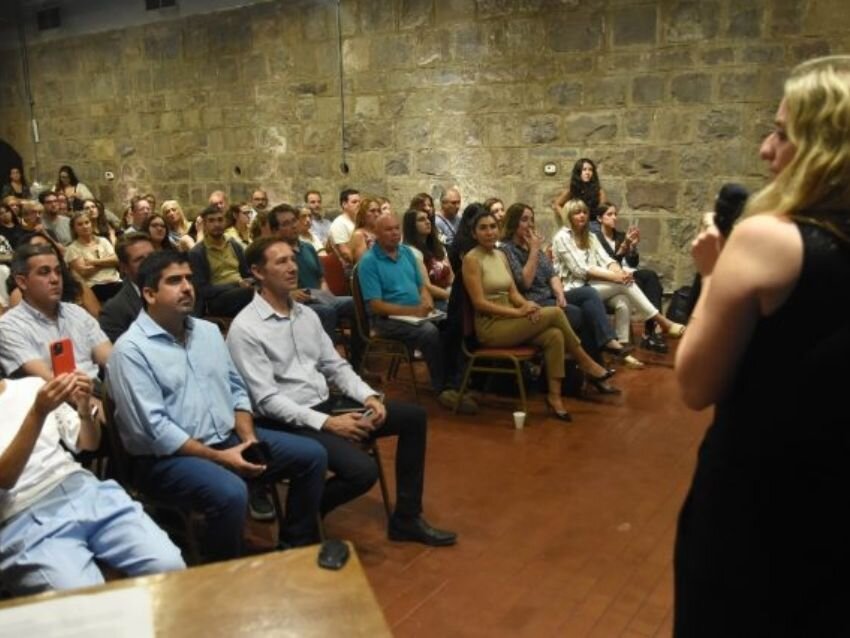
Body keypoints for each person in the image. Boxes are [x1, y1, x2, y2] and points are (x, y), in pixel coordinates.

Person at [674, 56, 850, 637]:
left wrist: (711, 275)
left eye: (781, 133)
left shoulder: (768, 240)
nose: (765, 149)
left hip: (760, 502)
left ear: (826, 147)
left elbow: (695, 383)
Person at [227, 238, 457, 547]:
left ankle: (406, 518)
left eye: (292, 259)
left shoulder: (306, 315)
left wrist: (368, 397)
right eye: (281, 261)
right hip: (287, 421)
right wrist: (329, 424)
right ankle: (300, 525)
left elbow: (336, 366)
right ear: (257, 271)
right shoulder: (246, 328)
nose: (293, 267)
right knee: (362, 471)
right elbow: (266, 401)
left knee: (412, 417)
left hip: (325, 404)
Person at [107, 251, 327, 560]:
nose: (187, 287)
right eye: (174, 281)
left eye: (189, 279)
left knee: (312, 455)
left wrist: (248, 439)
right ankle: (223, 571)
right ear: (149, 294)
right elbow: (156, 431)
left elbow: (236, 389)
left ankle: (293, 547)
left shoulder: (207, 332)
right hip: (165, 460)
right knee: (231, 492)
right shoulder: (131, 351)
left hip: (227, 438)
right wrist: (221, 458)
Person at [0, 372, 185, 595]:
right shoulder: (39, 402)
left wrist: (84, 409)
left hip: (81, 488)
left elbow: (89, 443)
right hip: (22, 515)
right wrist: (38, 413)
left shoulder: (32, 386)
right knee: (85, 602)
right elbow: (5, 478)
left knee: (168, 565)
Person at [463, 208, 617, 421]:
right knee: (554, 313)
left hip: (511, 318)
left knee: (555, 335)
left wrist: (527, 305)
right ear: (474, 233)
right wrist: (517, 311)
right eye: (483, 228)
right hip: (491, 326)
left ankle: (555, 398)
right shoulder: (471, 259)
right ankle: (585, 361)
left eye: (492, 227)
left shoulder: (500, 255)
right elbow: (479, 303)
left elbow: (513, 292)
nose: (489, 232)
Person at [357, 213, 477, 414]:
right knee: (429, 332)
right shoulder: (369, 262)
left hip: (416, 313)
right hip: (386, 320)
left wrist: (427, 303)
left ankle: (458, 382)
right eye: (388, 229)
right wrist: (414, 311)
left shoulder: (406, 253)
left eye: (397, 228)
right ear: (376, 233)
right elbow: (377, 306)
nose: (395, 233)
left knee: (454, 323)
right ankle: (443, 389)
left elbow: (422, 287)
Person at [499, 203, 628, 368]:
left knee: (588, 293)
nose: (530, 224)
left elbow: (552, 274)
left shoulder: (532, 245)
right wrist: (533, 251)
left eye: (531, 220)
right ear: (513, 222)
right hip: (533, 301)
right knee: (580, 314)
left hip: (551, 296)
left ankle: (607, 342)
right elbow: (525, 283)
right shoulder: (507, 249)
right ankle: (594, 366)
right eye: (524, 220)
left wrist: (560, 295)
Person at [552, 199, 685, 359]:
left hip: (591, 286)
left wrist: (619, 272)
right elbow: (581, 270)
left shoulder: (590, 236)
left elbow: (607, 260)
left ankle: (622, 348)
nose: (582, 215)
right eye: (577, 212)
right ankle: (662, 321)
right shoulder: (562, 237)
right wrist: (617, 277)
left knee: (623, 300)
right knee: (624, 285)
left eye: (584, 212)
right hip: (571, 289)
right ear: (568, 216)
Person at [0, 243, 111, 380]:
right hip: (55, 392)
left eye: (58, 272)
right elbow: (49, 380)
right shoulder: (9, 327)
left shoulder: (77, 312)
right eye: (44, 272)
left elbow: (111, 359)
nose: (55, 279)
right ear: (22, 282)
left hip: (96, 386)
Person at [593, 203, 668, 353]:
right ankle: (654, 329)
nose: (614, 217)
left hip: (626, 273)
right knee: (636, 281)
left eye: (615, 214)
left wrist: (632, 247)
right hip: (607, 278)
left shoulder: (620, 236)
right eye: (609, 214)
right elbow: (608, 264)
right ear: (600, 218)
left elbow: (633, 263)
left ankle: (650, 331)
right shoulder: (595, 239)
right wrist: (623, 247)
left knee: (650, 276)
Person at [187, 205, 254, 317]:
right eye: (211, 221)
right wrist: (236, 285)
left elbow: (246, 273)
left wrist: (252, 281)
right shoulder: (197, 253)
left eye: (220, 220)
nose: (217, 224)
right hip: (216, 298)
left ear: (225, 222)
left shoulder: (234, 245)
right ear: (204, 225)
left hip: (241, 290)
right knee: (251, 293)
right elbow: (202, 289)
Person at [99, 234, 155, 343]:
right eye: (139, 259)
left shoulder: (177, 290)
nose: (150, 263)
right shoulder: (114, 311)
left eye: (152, 256)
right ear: (124, 267)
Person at [64, 210, 122, 303]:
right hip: (95, 286)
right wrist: (107, 263)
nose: (85, 226)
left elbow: (116, 260)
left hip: (115, 280)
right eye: (80, 224)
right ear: (74, 229)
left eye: (87, 222)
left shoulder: (103, 241)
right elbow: (84, 272)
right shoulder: (72, 249)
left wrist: (93, 262)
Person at [401, 208, 452, 311]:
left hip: (448, 293)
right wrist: (452, 296)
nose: (427, 222)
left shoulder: (438, 247)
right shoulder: (410, 251)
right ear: (411, 225)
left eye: (428, 218)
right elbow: (426, 286)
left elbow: (451, 276)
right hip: (432, 299)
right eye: (421, 219)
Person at [552, 158, 610, 227]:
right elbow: (557, 204)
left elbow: (604, 209)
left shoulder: (598, 190)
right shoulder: (572, 189)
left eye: (590, 170)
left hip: (593, 224)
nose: (587, 173)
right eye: (584, 169)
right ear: (578, 171)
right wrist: (567, 219)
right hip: (576, 224)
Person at [328, 189, 361, 267]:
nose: (358, 204)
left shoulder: (358, 221)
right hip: (349, 268)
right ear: (344, 204)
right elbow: (346, 254)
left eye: (359, 202)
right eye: (354, 202)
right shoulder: (339, 224)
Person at [349, 196, 381, 264]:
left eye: (379, 211)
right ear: (363, 215)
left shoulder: (380, 233)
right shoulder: (359, 235)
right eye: (372, 211)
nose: (377, 214)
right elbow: (362, 265)